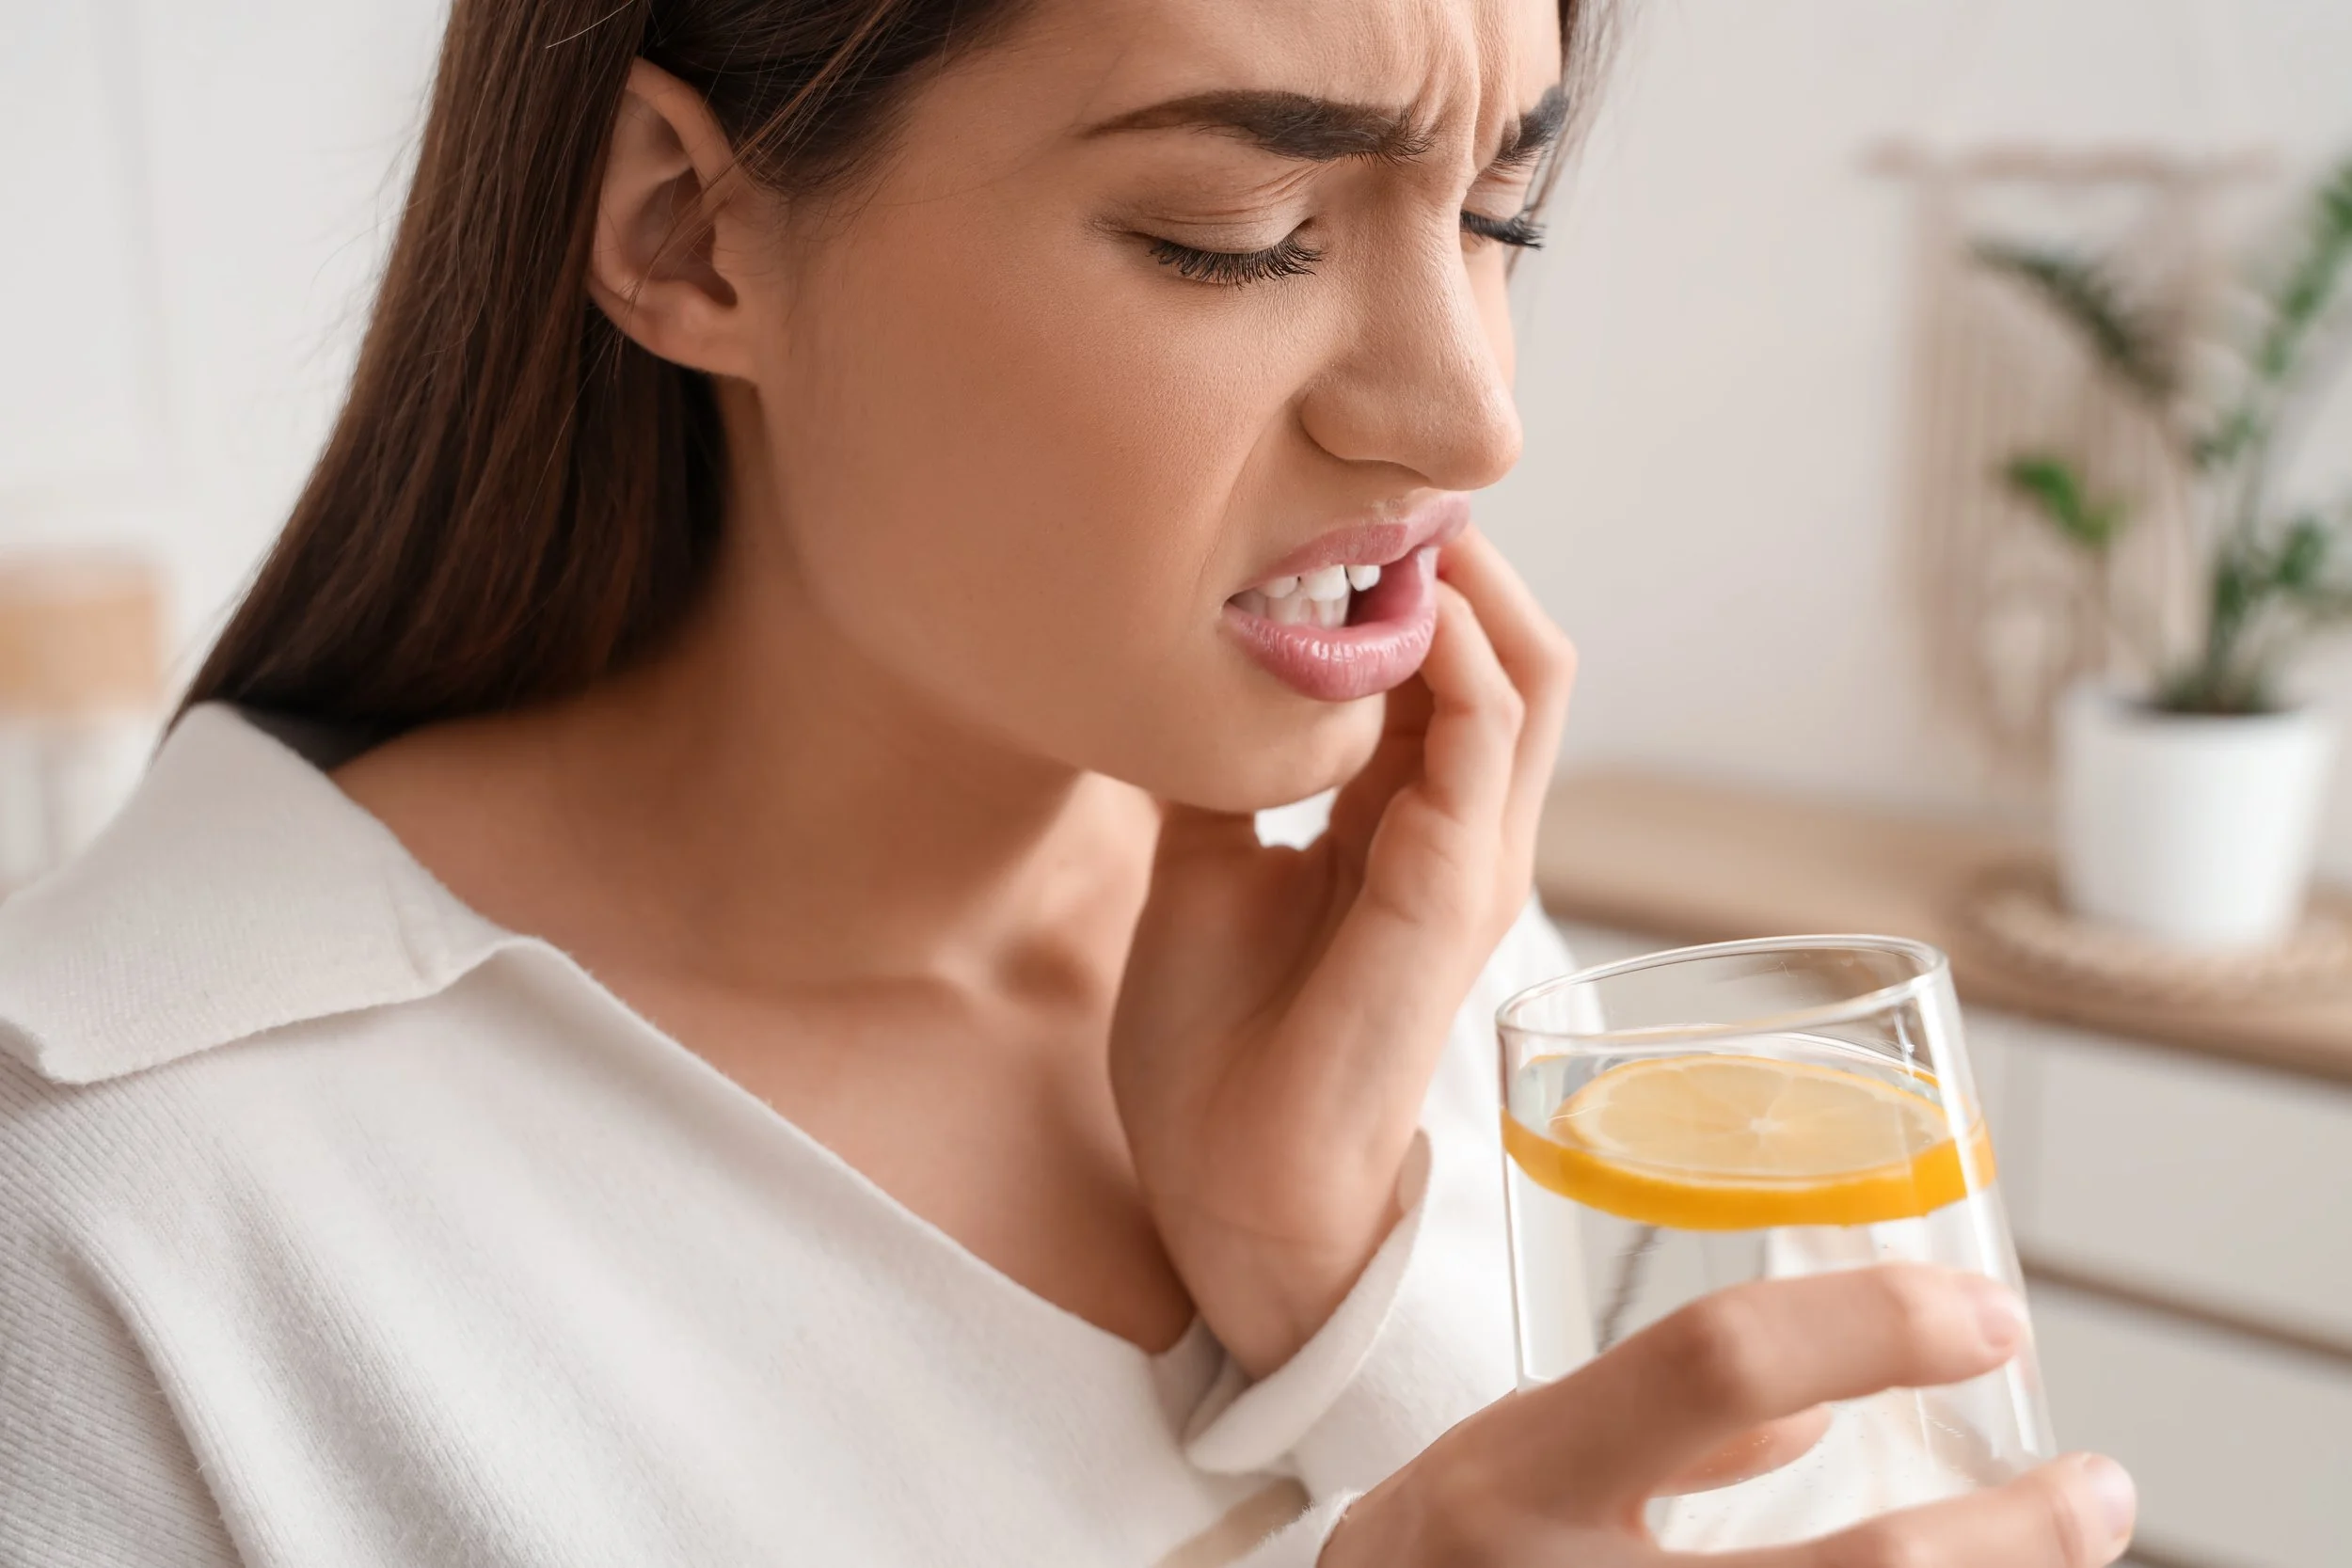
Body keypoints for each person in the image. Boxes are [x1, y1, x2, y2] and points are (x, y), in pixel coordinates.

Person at [0, 1, 2138, 1563]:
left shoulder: (1419, 958)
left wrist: (1333, 1278)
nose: (1466, 414)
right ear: (689, 233)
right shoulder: (124, 1222)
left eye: (1503, 210)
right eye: (1239, 228)